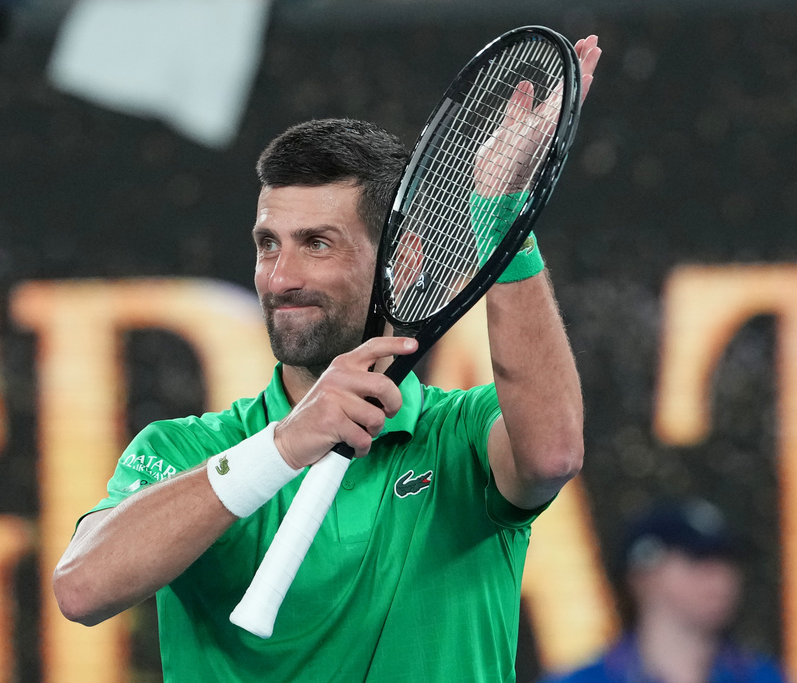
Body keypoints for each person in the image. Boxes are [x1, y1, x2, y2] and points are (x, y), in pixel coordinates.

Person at [53, 35, 602, 682]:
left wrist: (503, 213)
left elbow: (553, 453)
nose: (280, 276)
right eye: (268, 244)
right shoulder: (185, 450)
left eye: (317, 244)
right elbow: (82, 587)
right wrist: (285, 444)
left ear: (406, 262)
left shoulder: (463, 438)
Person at [541, 498, 789, 683]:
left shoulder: (766, 677)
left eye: (728, 561)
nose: (721, 577)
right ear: (643, 575)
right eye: (698, 559)